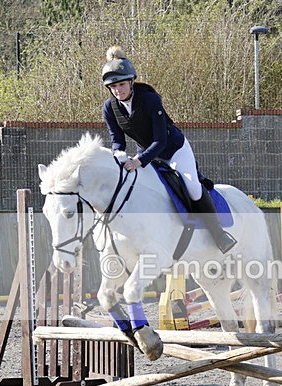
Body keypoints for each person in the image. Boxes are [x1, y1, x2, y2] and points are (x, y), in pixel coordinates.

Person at [101, 46, 237, 254]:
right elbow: (117, 139)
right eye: (113, 87)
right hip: (146, 152)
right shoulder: (109, 108)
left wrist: (139, 161)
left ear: (131, 82)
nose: (118, 90)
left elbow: (161, 140)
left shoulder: (149, 99)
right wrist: (118, 157)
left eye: (121, 84)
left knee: (192, 187)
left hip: (173, 149)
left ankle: (219, 235)